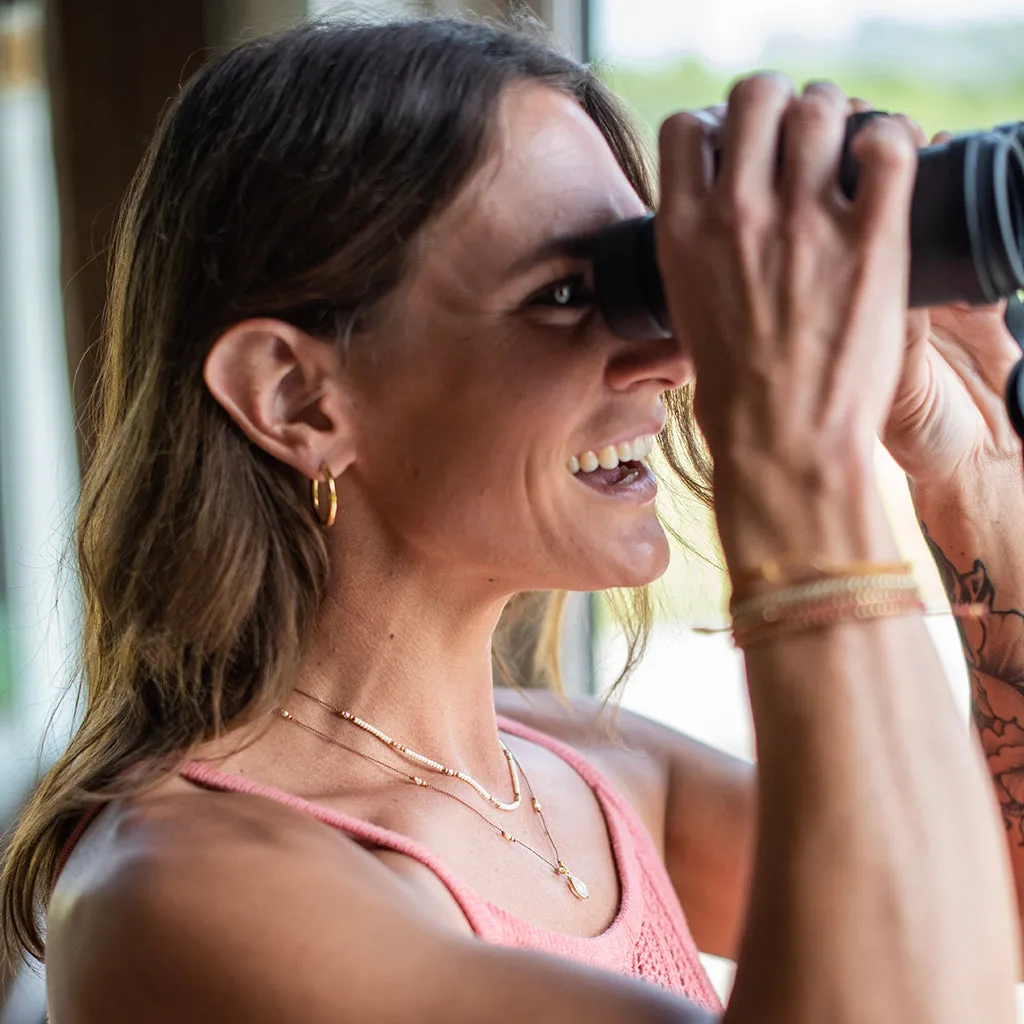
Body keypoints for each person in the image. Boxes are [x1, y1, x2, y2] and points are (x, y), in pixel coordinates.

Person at [1, 14, 1022, 1023]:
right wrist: (794, 464)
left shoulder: (582, 767)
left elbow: (991, 910)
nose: (673, 360)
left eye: (650, 281)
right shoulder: (187, 891)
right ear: (296, 397)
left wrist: (973, 481)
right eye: (568, 291)